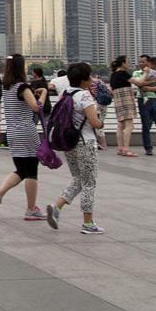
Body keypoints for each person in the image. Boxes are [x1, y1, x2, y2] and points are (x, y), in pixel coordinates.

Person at [0, 54, 48, 221]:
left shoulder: (7, 88)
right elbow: (36, 108)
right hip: (26, 131)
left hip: (12, 133)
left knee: (21, 169)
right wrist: (44, 93)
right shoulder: (22, 87)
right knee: (32, 172)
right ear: (21, 67)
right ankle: (31, 209)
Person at [46, 62, 106, 235]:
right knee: (89, 183)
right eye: (90, 76)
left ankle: (56, 206)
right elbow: (94, 123)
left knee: (78, 179)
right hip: (86, 143)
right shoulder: (85, 96)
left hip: (69, 143)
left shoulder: (65, 93)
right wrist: (101, 120)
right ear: (84, 80)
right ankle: (88, 223)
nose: (92, 79)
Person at [109, 56, 138, 157]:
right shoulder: (123, 73)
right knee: (129, 126)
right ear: (122, 63)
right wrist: (147, 74)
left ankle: (120, 148)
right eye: (127, 62)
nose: (128, 63)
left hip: (118, 100)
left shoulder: (113, 75)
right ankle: (126, 149)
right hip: (126, 100)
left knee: (121, 125)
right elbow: (139, 83)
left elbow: (111, 89)